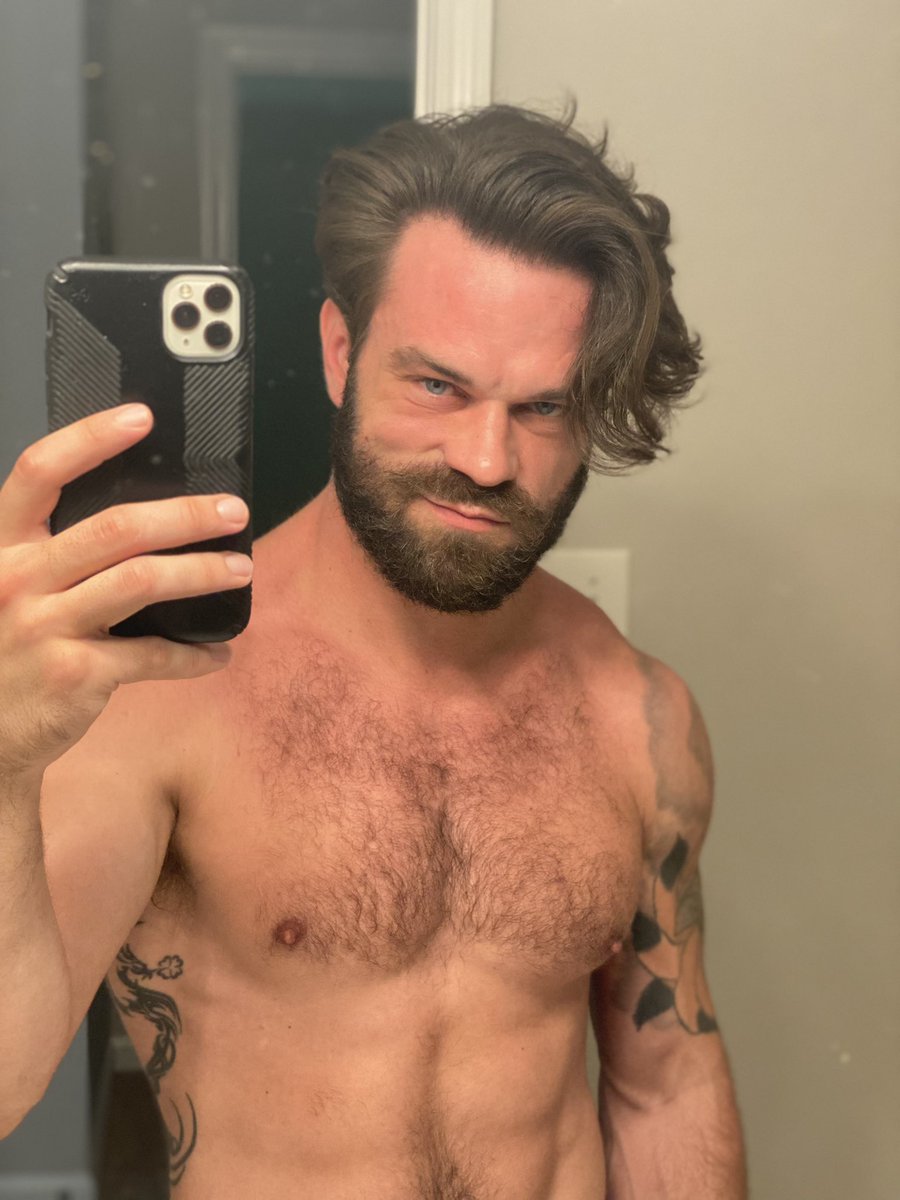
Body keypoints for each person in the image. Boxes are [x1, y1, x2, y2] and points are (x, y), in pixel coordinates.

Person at [0, 105, 747, 1197]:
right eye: (438, 385)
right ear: (341, 352)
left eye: (543, 406)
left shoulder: (640, 717)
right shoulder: (163, 687)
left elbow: (664, 1086)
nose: (486, 460)